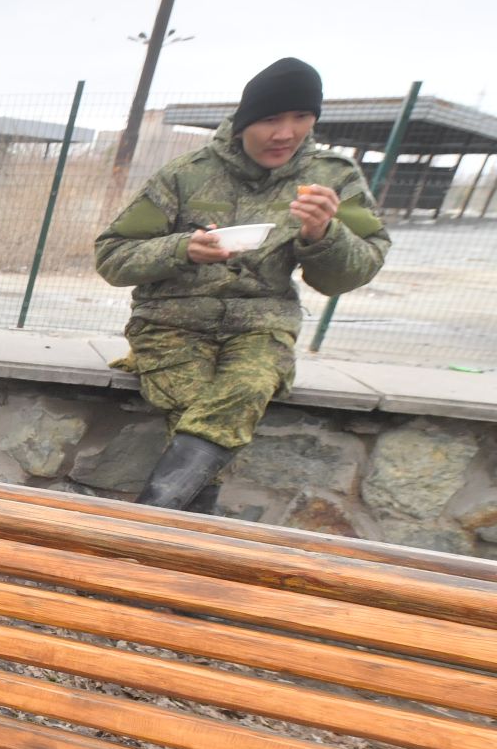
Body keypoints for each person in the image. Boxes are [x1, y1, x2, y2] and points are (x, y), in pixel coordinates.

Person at [96, 57, 390, 512]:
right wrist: (181, 250)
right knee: (196, 403)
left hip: (260, 325)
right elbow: (113, 257)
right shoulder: (185, 174)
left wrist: (323, 236)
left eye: (301, 118)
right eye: (271, 119)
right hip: (172, 322)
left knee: (247, 387)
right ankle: (171, 537)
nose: (285, 133)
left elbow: (353, 271)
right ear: (243, 121)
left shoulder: (332, 179)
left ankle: (147, 525)